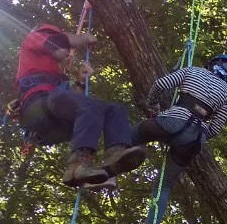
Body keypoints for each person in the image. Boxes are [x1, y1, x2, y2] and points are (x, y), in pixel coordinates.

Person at [124, 54, 227, 224]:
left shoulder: (194, 71)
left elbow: (161, 84)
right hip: (193, 139)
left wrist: (153, 105)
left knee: (127, 136)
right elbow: (216, 129)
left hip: (172, 120)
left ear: (212, 64)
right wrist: (197, 133)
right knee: (164, 184)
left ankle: (109, 169)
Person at [15, 22, 146, 187]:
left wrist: (81, 81)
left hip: (54, 120)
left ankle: (112, 161)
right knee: (92, 106)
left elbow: (74, 103)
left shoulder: (54, 72)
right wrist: (85, 37)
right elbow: (58, 43)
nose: (68, 53)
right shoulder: (32, 39)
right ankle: (77, 165)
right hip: (36, 108)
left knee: (115, 109)